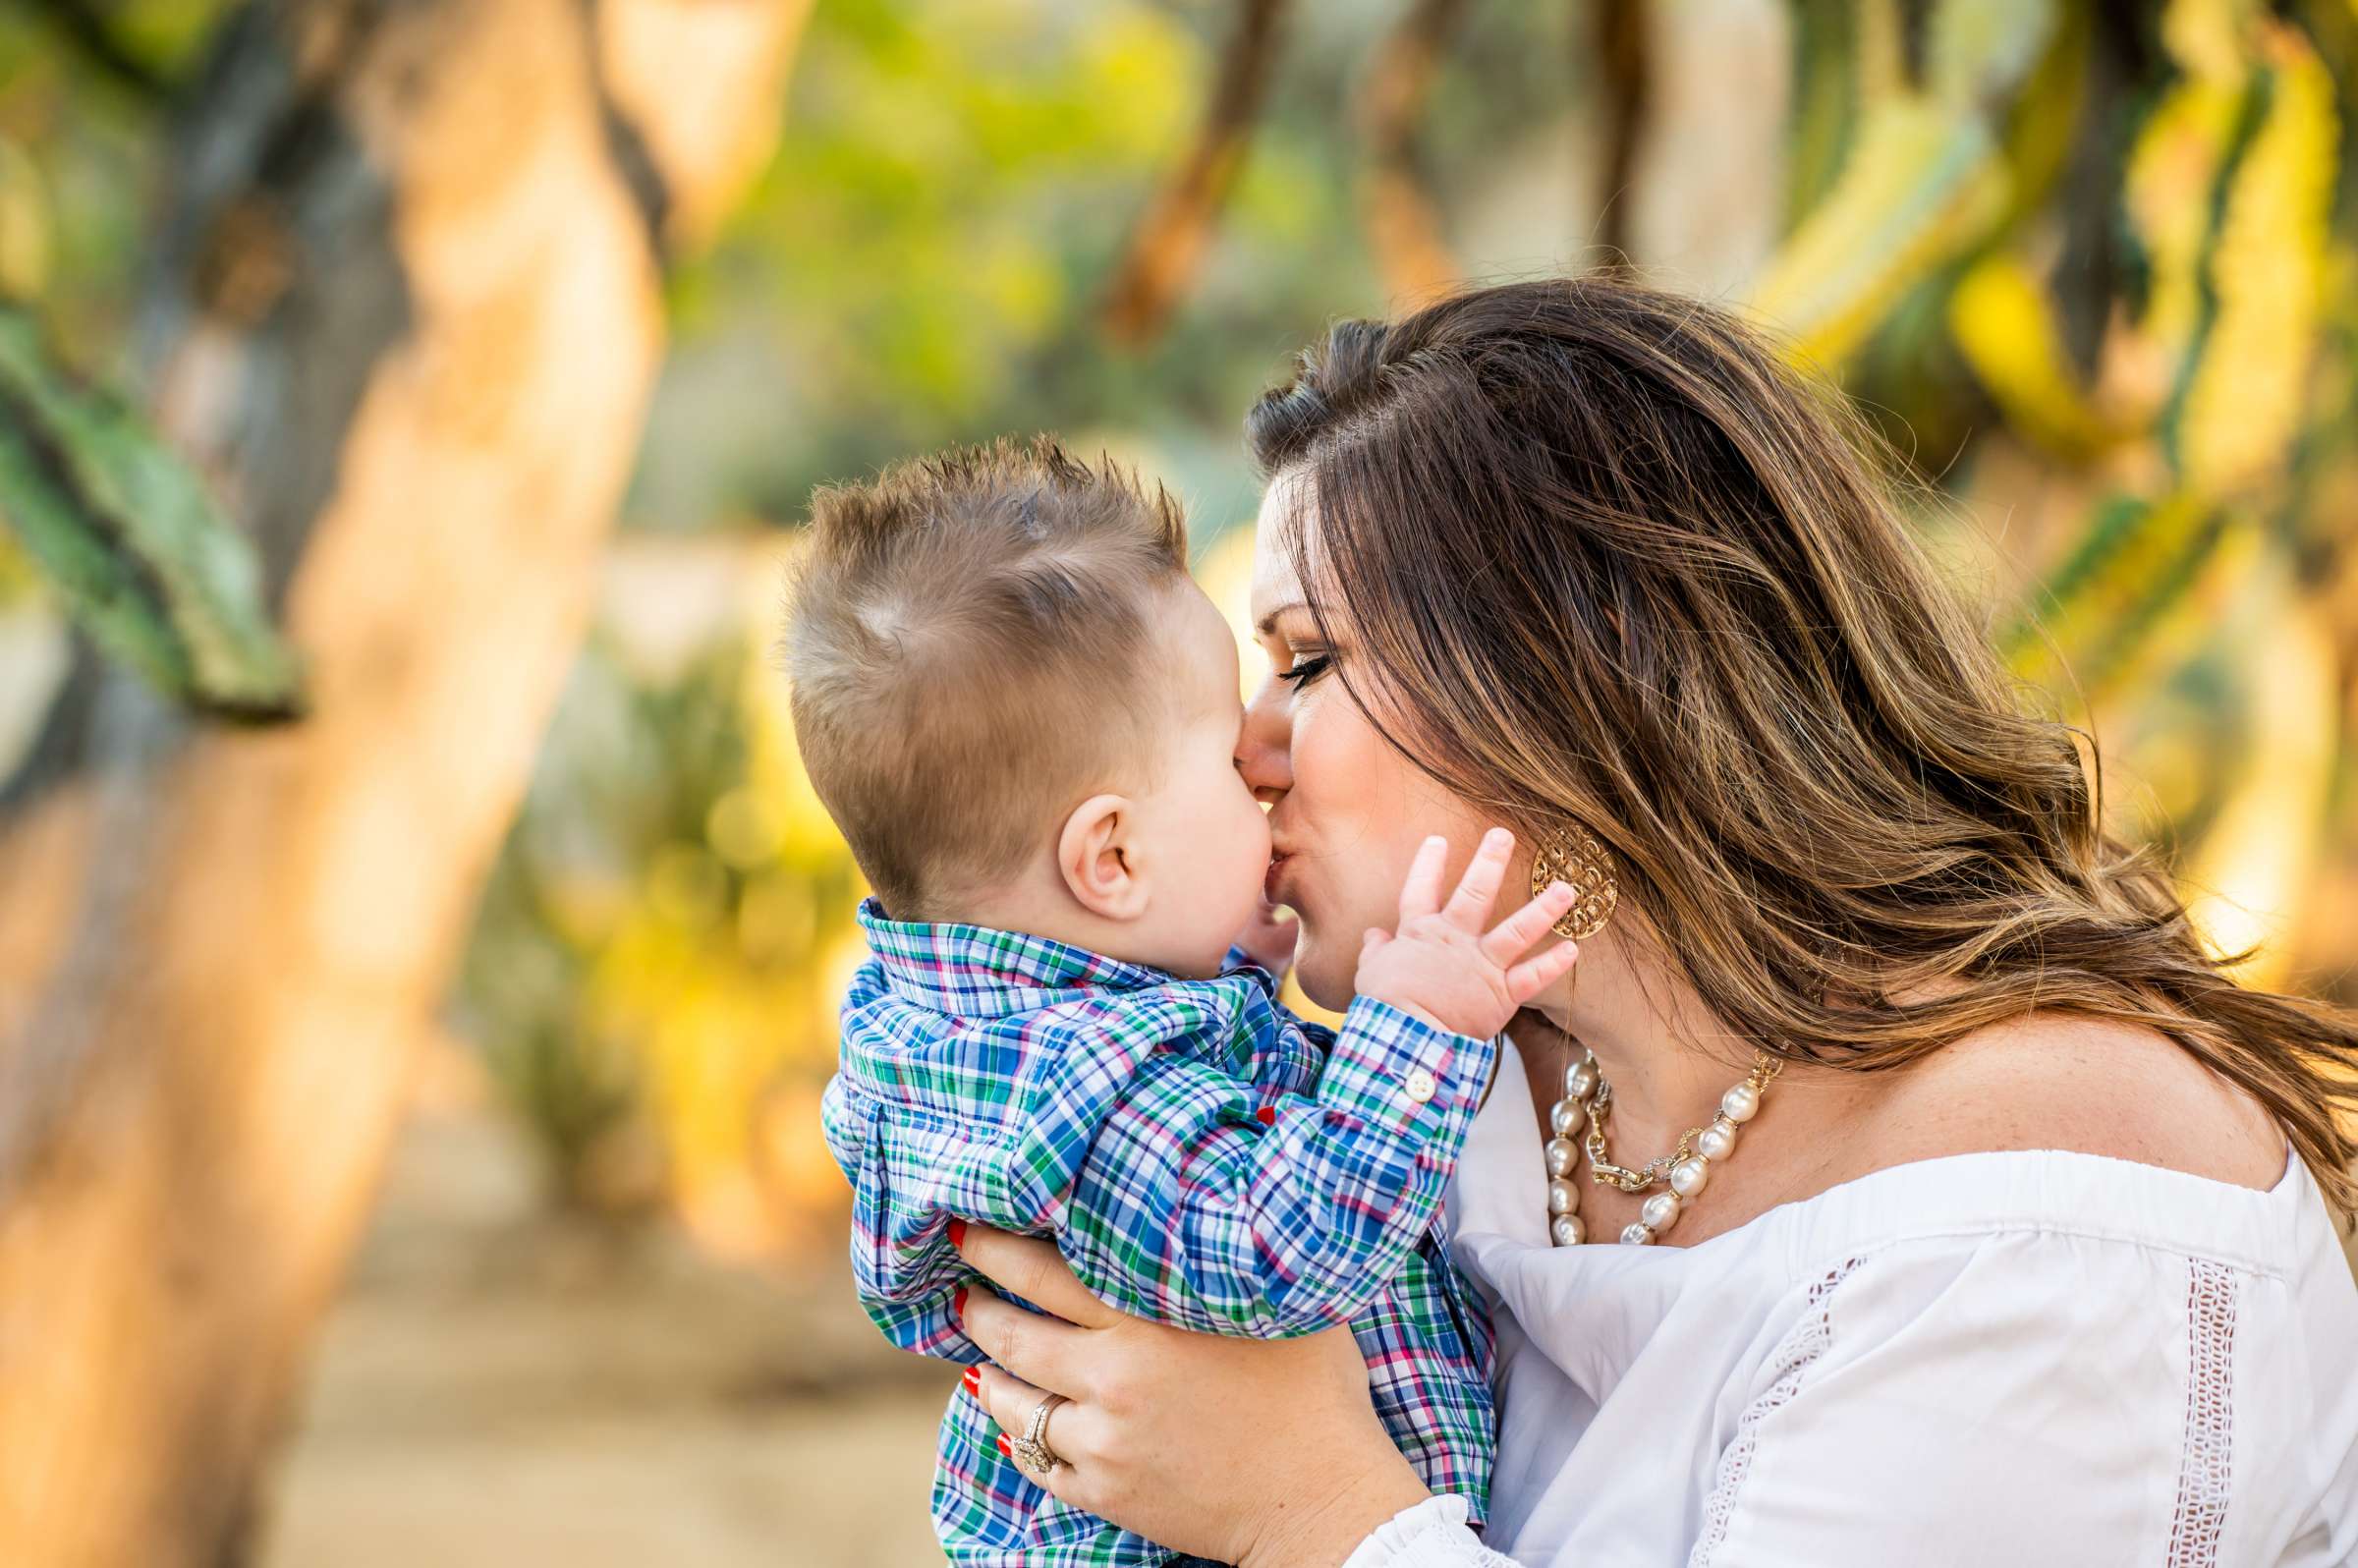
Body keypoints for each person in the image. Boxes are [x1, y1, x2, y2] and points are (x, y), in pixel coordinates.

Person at [942, 277, 2358, 1566]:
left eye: (1308, 662)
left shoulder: (2043, 1216)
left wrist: (1309, 1510)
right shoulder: (1469, 1088)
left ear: (1573, 671)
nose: (1249, 750)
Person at [784, 438, 1582, 1564]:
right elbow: (1277, 1246)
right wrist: (1422, 1030)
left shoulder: (1023, 1034)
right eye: (1220, 755)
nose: (1262, 760)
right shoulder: (1078, 1090)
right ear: (1110, 859)